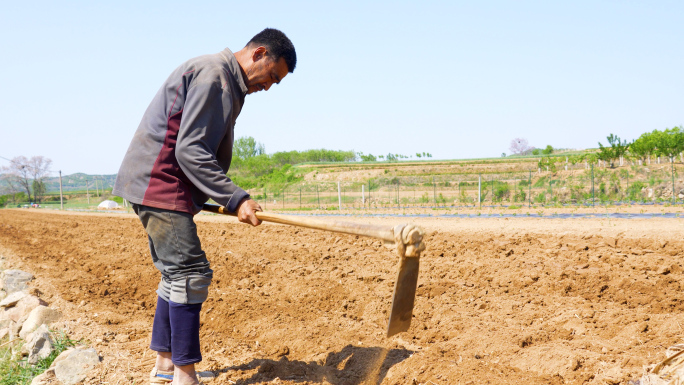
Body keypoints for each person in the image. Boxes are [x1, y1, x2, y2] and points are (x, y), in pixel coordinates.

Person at [113, 28, 296, 385]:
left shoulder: (223, 78)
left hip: (155, 184)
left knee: (174, 275)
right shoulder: (216, 77)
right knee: (189, 274)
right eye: (272, 76)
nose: (269, 87)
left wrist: (223, 194)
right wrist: (236, 197)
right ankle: (185, 376)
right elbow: (190, 150)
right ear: (258, 53)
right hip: (161, 184)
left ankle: (166, 368)